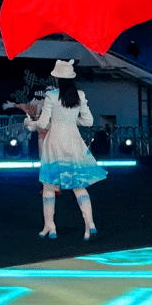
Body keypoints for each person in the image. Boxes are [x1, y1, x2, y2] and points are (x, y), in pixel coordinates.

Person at [22, 59, 107, 240]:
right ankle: (89, 223)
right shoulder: (80, 95)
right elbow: (88, 122)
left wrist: (30, 123)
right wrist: (69, 120)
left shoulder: (52, 96)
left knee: (49, 185)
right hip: (73, 141)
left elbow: (43, 124)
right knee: (78, 185)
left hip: (55, 142)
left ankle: (50, 226)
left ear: (57, 78)